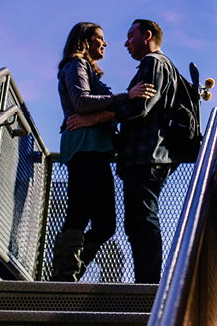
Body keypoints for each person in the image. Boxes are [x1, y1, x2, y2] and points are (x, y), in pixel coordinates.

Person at [50, 22, 153, 282]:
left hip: (97, 150)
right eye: (100, 38)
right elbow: (81, 101)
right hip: (84, 148)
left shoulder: (91, 71)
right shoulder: (76, 65)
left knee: (106, 224)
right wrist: (126, 96)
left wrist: (107, 113)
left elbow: (103, 112)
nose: (105, 43)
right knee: (78, 212)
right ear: (84, 41)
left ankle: (70, 272)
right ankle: (63, 277)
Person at [114, 18, 181, 283]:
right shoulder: (164, 65)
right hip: (150, 155)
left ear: (147, 35)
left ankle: (148, 283)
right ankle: (146, 279)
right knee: (139, 220)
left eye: (131, 35)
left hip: (146, 155)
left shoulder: (153, 62)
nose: (126, 42)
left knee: (142, 218)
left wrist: (103, 115)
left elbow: (141, 106)